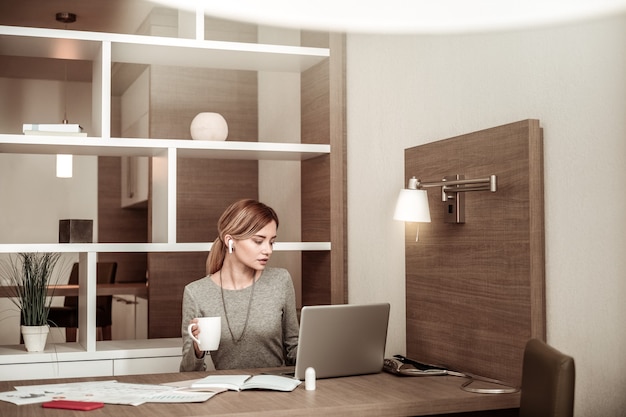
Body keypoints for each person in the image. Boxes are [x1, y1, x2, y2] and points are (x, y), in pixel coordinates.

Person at [180, 199, 299, 372]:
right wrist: (197, 350)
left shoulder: (280, 280)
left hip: (276, 389)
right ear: (230, 241)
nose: (268, 250)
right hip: (228, 392)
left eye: (272, 241)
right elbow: (188, 373)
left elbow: (293, 349)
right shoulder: (196, 293)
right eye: (259, 241)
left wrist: (315, 358)